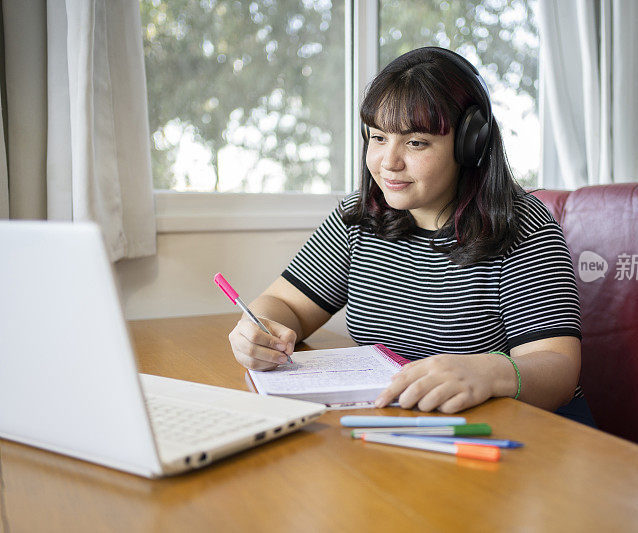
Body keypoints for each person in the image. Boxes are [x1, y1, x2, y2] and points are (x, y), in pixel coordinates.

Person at [227, 46, 595, 425]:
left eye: (416, 142)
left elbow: (559, 367)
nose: (389, 162)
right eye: (378, 137)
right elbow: (282, 303)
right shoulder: (362, 217)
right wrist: (261, 330)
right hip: (411, 429)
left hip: (523, 436)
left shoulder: (522, 225)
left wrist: (490, 373)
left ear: (471, 143)